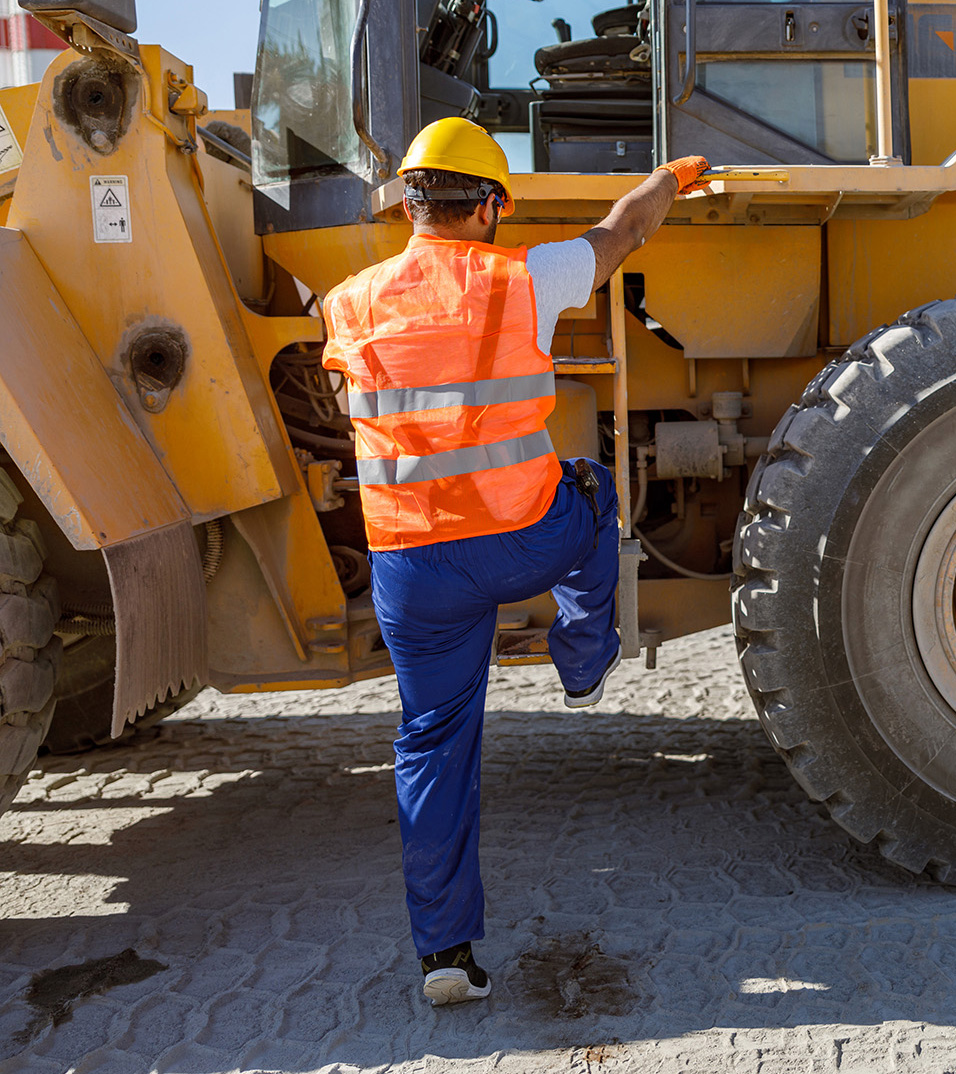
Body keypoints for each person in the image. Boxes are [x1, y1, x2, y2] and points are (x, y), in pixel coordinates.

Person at [322, 118, 709, 1007]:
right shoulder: (523, 277)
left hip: (412, 564)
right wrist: (667, 177)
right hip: (522, 539)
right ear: (491, 205)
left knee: (430, 742)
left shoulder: (348, 301)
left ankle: (445, 957)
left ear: (408, 201)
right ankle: (584, 661)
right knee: (594, 493)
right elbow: (622, 231)